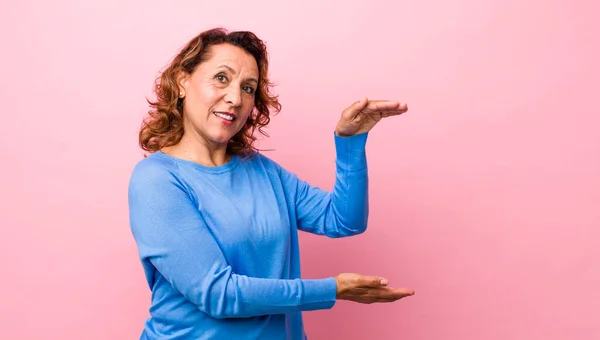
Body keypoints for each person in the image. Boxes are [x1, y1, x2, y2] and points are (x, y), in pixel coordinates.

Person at [127, 27, 415, 340]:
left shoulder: (262, 171)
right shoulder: (157, 180)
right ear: (183, 81)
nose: (235, 98)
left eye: (248, 88)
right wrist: (333, 289)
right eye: (221, 78)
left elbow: (343, 220)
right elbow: (218, 293)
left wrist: (351, 142)